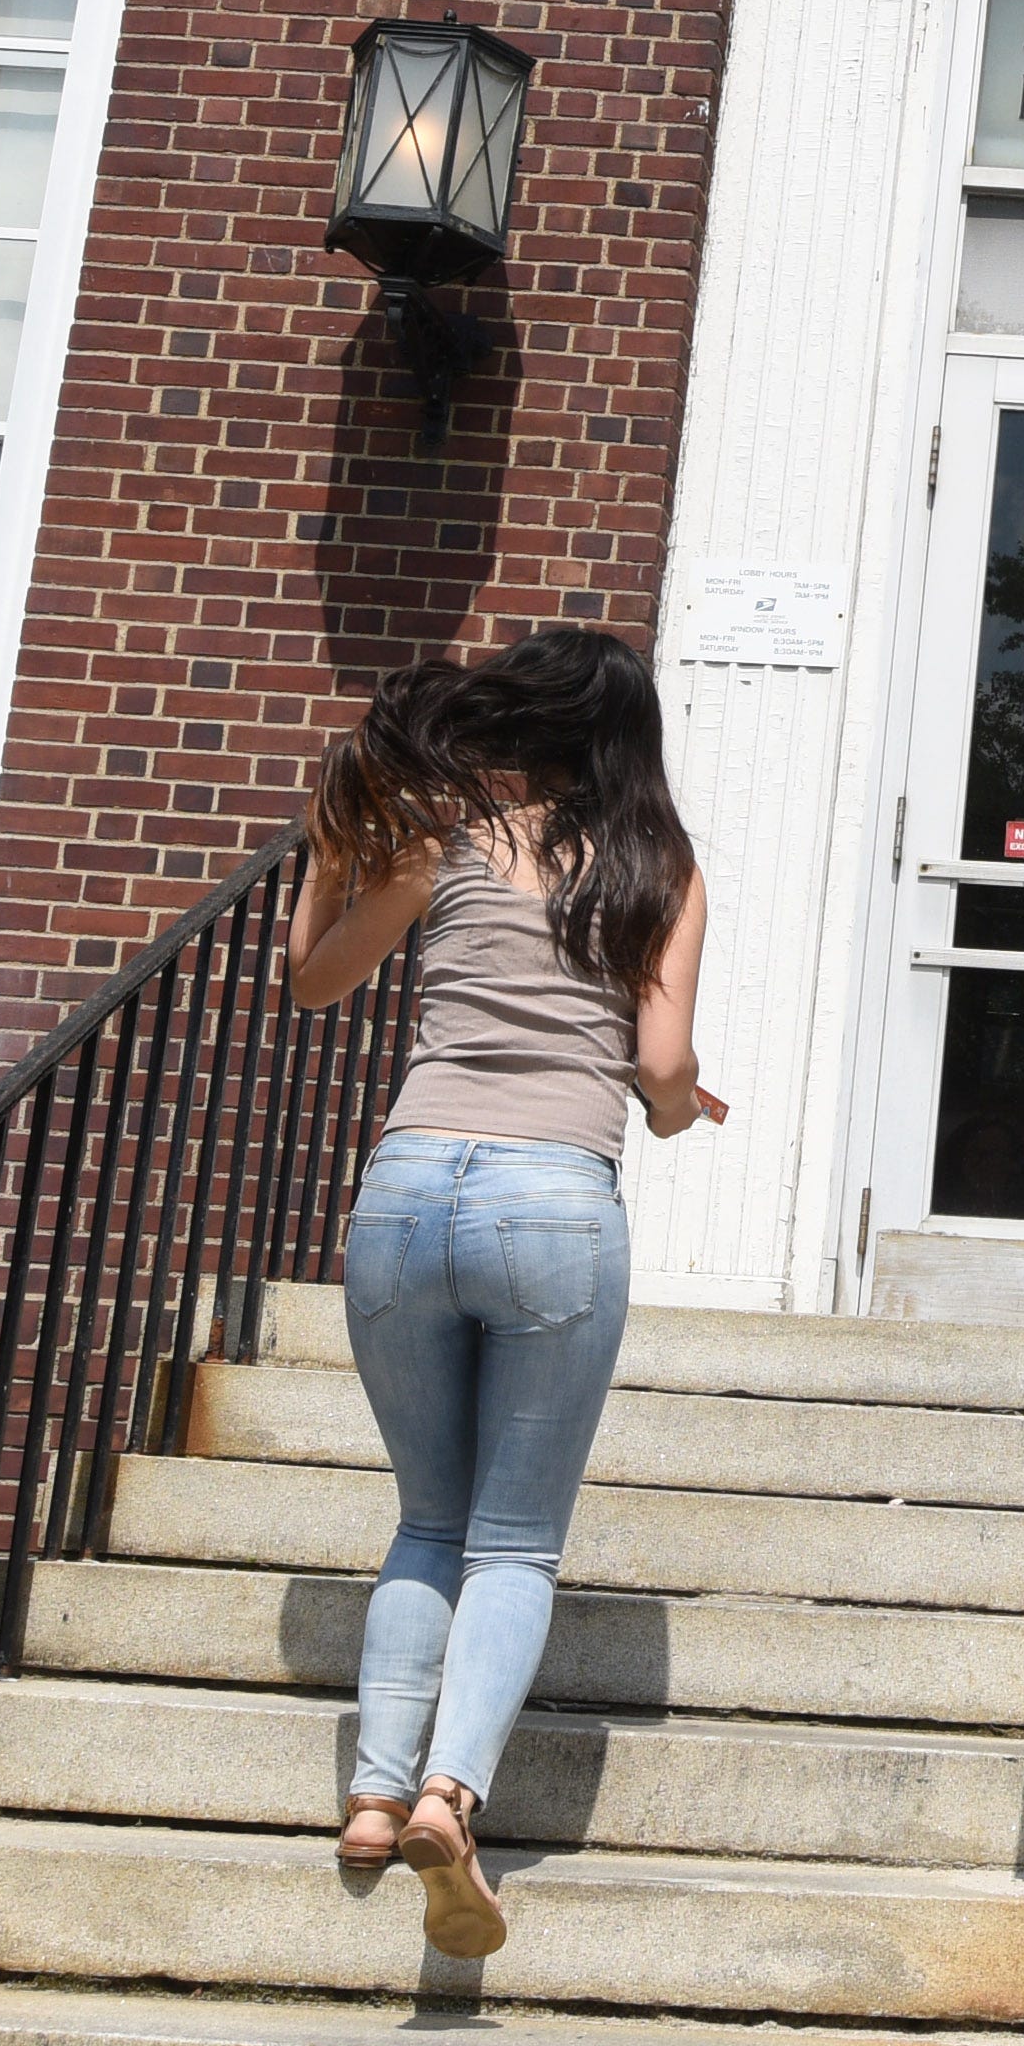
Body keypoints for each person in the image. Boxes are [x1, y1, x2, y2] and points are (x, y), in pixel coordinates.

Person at [280, 623, 728, 1960]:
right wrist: (677, 1105)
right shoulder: (662, 866)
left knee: (429, 1518)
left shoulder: (444, 842)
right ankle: (448, 1796)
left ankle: (370, 1795)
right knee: (515, 1542)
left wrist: (327, 849)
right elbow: (659, 1064)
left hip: (409, 1190)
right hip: (551, 1203)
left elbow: (312, 984)